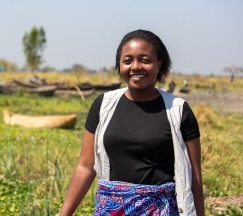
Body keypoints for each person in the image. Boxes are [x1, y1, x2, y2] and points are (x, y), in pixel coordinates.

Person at [60, 29, 205, 216]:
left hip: (159, 211)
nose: (135, 66)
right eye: (127, 61)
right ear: (119, 65)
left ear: (158, 64)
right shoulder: (103, 105)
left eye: (145, 60)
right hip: (110, 210)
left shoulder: (178, 110)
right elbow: (86, 166)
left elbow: (194, 178)